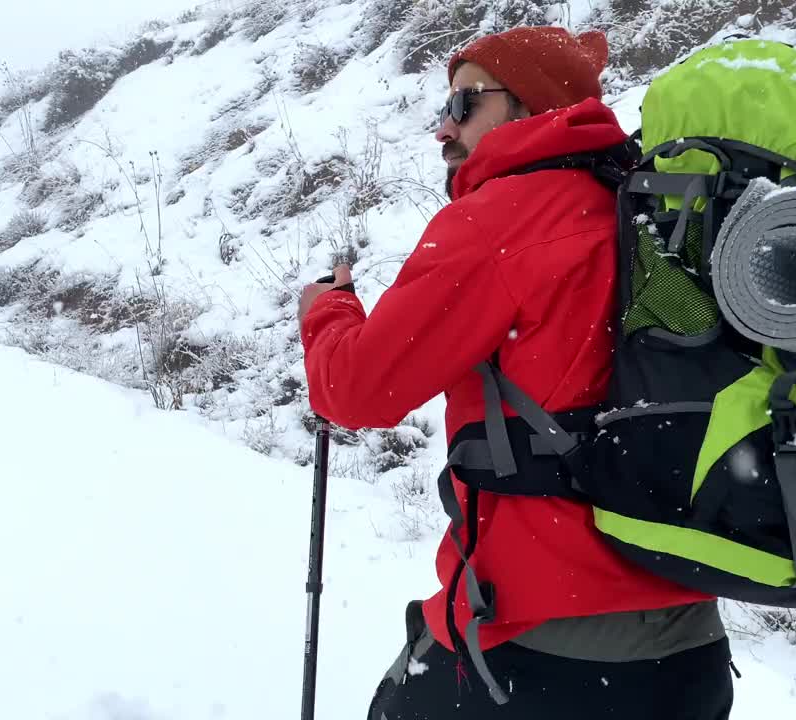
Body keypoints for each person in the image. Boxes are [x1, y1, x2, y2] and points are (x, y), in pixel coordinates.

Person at [297, 26, 735, 719]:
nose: (445, 127)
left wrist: (327, 311)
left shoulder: (500, 219)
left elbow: (354, 390)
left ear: (530, 104)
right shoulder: (644, 209)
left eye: (466, 103)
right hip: (690, 644)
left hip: (539, 652)